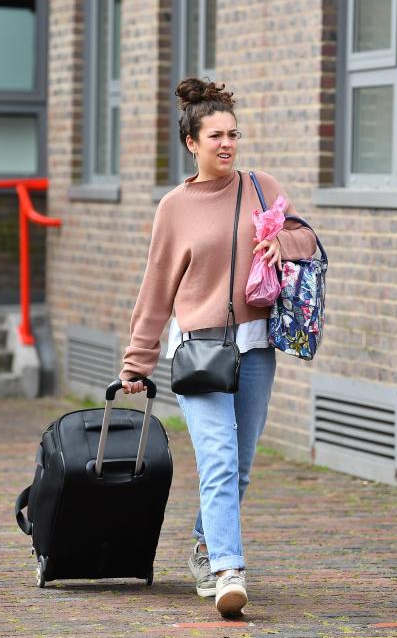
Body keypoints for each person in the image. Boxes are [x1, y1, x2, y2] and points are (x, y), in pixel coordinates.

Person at [118, 78, 316, 618]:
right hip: (199, 354)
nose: (227, 144)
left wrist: (283, 241)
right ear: (192, 143)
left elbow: (310, 240)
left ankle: (206, 544)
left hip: (254, 349)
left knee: (242, 464)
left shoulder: (261, 186)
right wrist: (137, 362)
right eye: (215, 136)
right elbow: (156, 287)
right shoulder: (175, 207)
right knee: (220, 459)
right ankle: (230, 568)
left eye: (233, 134)